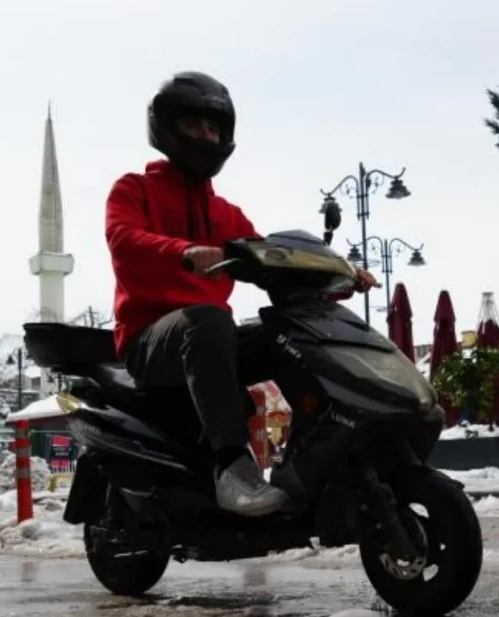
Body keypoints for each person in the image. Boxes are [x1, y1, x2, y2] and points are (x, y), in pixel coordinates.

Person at [105, 71, 377, 517]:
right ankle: (232, 468)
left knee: (288, 333)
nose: (206, 137)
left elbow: (273, 262)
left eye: (214, 128)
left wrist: (338, 275)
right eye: (194, 126)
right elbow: (123, 238)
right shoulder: (134, 189)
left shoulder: (223, 212)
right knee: (207, 319)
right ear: (168, 128)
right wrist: (184, 252)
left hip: (209, 341)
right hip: (149, 339)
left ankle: (314, 451)